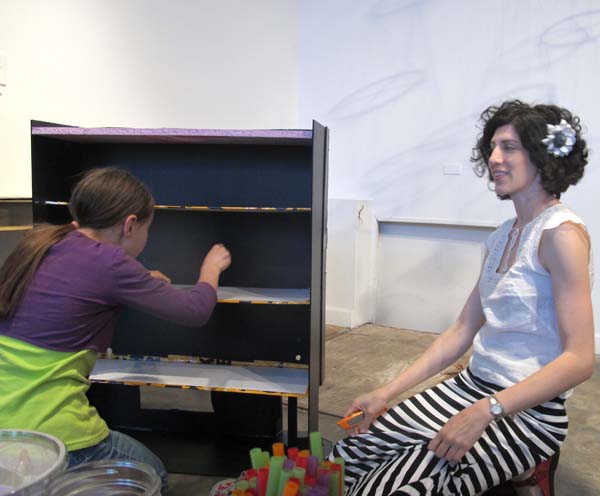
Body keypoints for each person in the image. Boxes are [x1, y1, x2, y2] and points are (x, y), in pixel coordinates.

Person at [330, 100, 595, 496]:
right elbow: (461, 329)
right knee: (346, 458)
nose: (494, 158)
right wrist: (385, 393)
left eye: (509, 147)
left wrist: (485, 411)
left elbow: (580, 359)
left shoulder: (561, 235)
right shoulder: (502, 235)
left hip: (529, 411)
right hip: (471, 387)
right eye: (492, 147)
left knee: (384, 490)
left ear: (543, 156)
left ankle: (523, 468)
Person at [0, 167, 231, 491]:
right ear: (130, 225)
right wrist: (211, 270)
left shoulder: (42, 243)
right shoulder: (110, 262)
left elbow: (80, 285)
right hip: (51, 431)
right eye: (148, 228)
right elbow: (194, 311)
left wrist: (138, 281)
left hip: (4, 428)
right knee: (151, 475)